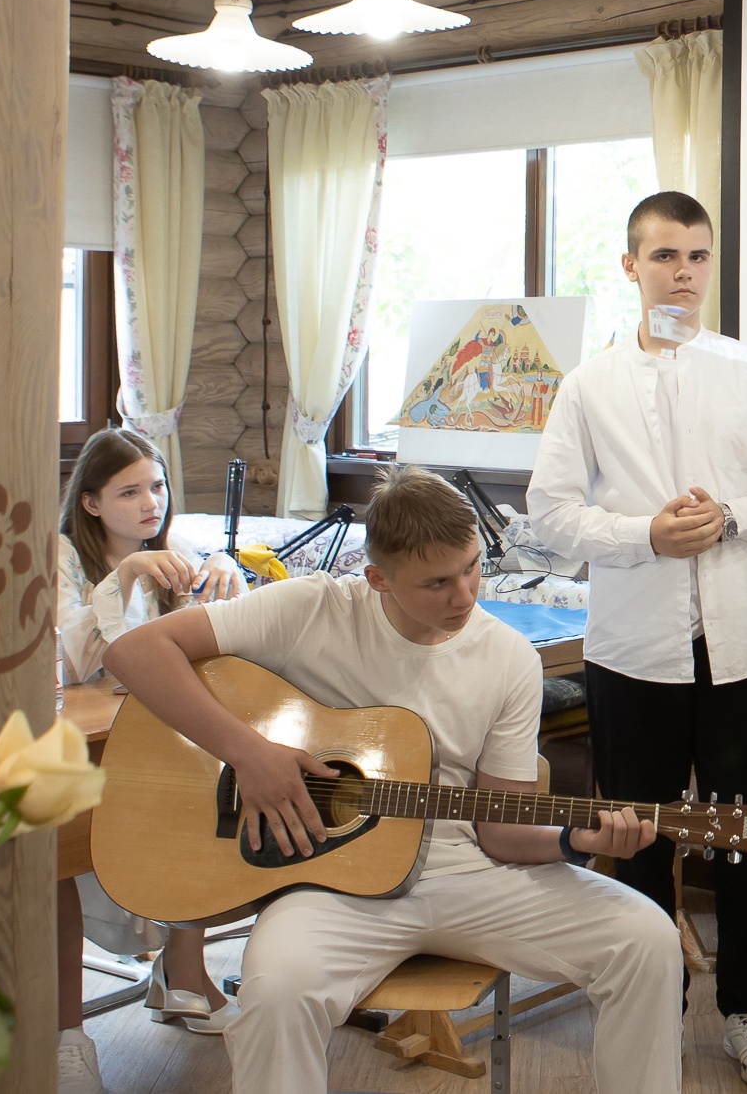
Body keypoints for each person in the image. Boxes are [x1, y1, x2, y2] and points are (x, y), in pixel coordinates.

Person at [104, 467, 679, 1094]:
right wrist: (250, 754)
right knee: (275, 990)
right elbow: (134, 653)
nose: (464, 596)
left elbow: (501, 831)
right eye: (436, 582)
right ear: (377, 578)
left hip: (469, 872)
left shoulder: (508, 657)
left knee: (647, 938)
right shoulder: (312, 608)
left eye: (471, 568)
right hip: (332, 886)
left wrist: (577, 841)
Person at [528, 190, 747, 1086]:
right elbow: (549, 512)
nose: (683, 272)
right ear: (630, 265)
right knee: (635, 835)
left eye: (696, 256)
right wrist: (643, 534)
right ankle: (652, 1011)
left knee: (742, 838)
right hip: (631, 651)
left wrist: (732, 517)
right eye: (664, 256)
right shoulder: (589, 384)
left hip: (743, 647)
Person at [54, 429, 246, 1094]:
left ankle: (184, 971)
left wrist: (226, 570)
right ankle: (66, 1034)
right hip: (73, 738)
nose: (150, 503)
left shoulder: (173, 549)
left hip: (145, 728)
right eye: (129, 491)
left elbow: (215, 640)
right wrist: (125, 576)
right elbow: (74, 661)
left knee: (204, 790)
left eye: (158, 486)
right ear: (90, 503)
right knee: (62, 850)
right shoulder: (61, 557)